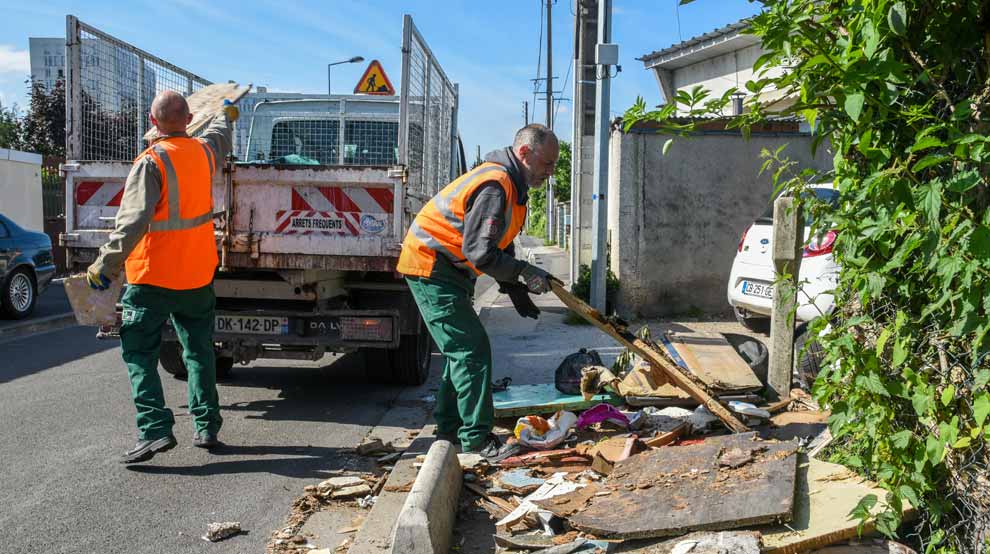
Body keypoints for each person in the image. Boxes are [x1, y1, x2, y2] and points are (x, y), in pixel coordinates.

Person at [86, 91, 238, 463]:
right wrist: (227, 113)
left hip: (152, 278)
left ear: (153, 123)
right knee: (200, 352)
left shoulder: (150, 161)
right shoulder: (204, 153)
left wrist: (104, 266)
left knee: (139, 354)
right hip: (197, 275)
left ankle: (154, 431)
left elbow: (132, 223)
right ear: (188, 118)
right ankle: (207, 427)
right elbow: (220, 132)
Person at [396, 124, 559, 460]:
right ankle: (476, 440)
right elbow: (480, 251)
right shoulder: (496, 184)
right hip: (432, 265)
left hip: (448, 269)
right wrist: (524, 273)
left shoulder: (512, 185)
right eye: (547, 164)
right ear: (525, 153)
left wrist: (515, 289)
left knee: (462, 352)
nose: (551, 172)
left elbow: (502, 242)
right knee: (471, 351)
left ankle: (449, 430)